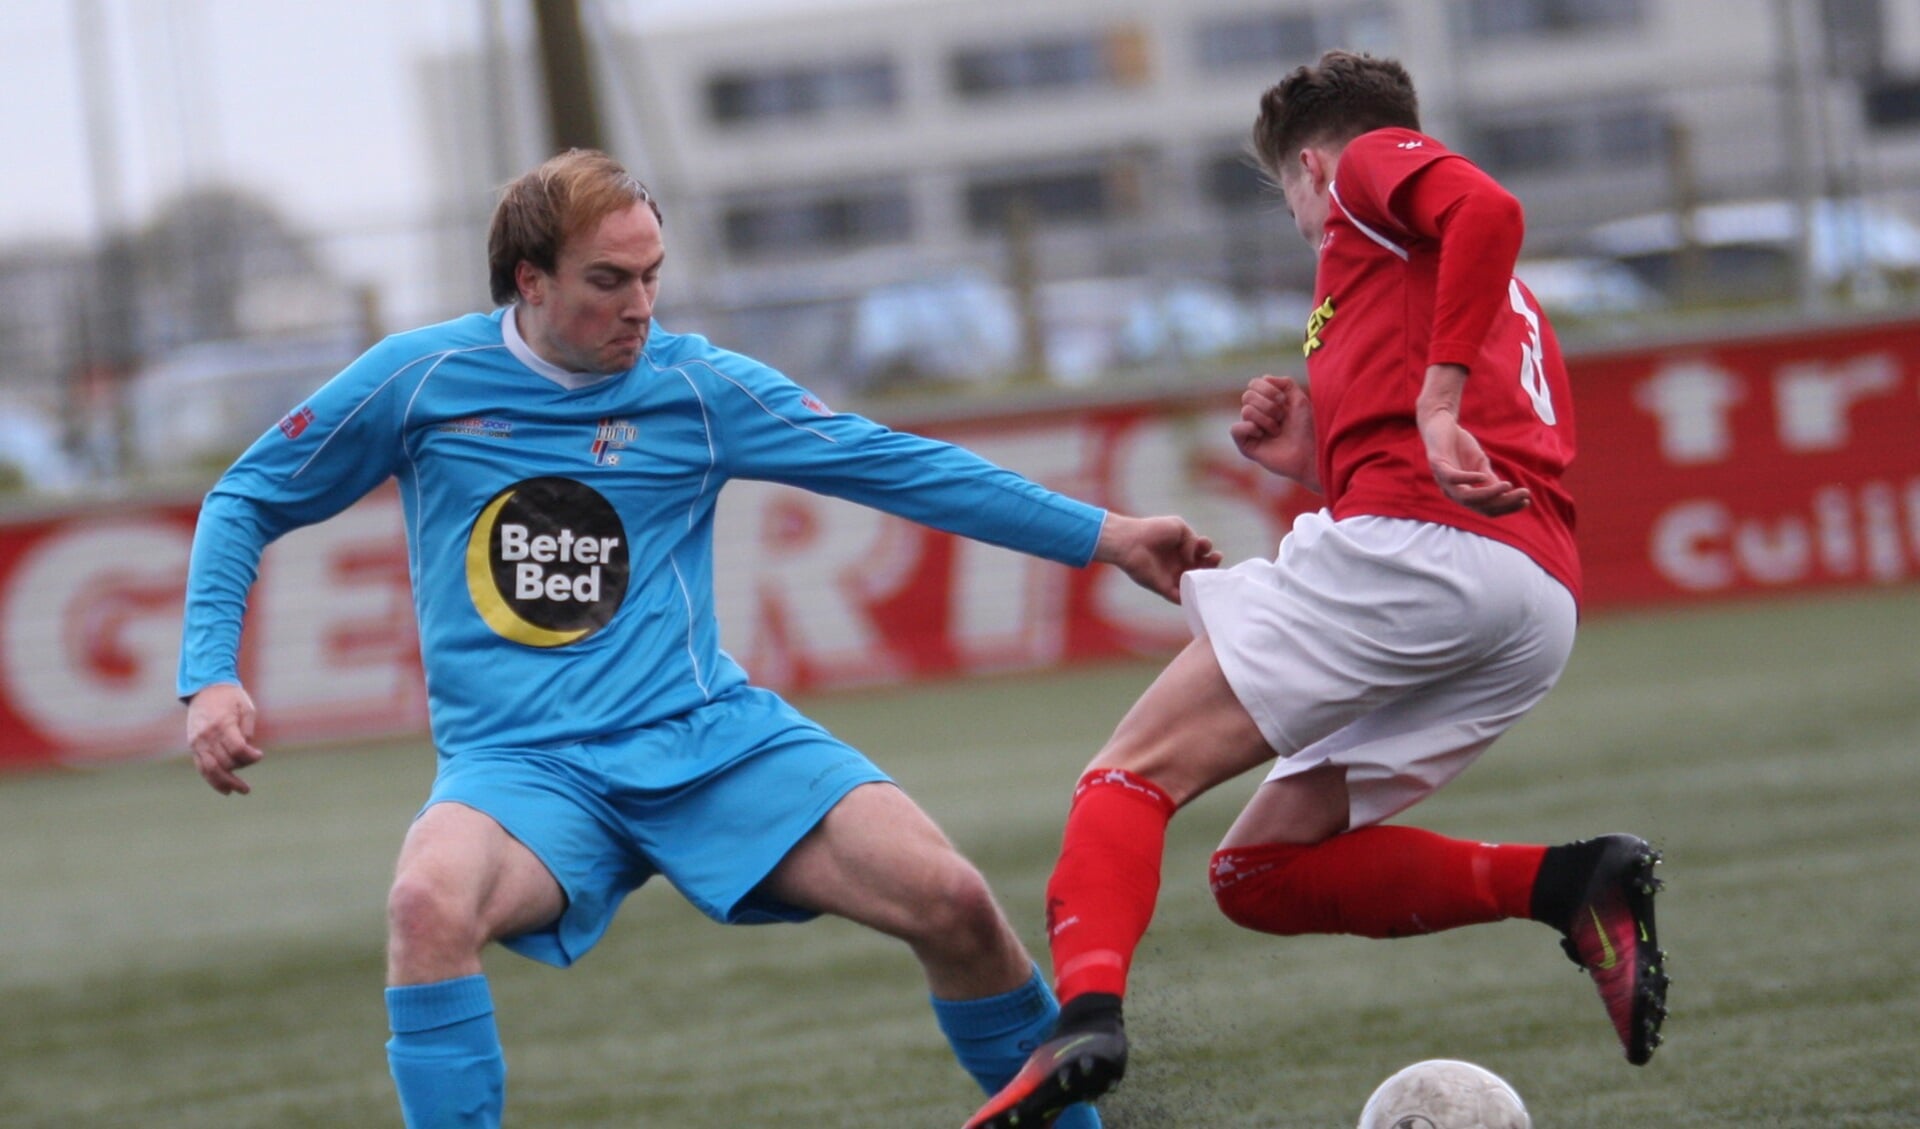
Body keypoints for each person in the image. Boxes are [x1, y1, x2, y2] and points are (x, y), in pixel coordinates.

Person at [178, 148, 1220, 1129]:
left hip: (707, 741)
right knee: (423, 904)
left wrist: (1108, 534)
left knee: (951, 900)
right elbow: (247, 496)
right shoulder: (419, 379)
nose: (638, 305)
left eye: (651, 275)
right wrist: (210, 676)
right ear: (528, 281)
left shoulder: (697, 386)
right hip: (523, 772)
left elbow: (892, 464)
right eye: (607, 280)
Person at [965, 51, 1669, 1129]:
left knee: (1127, 778)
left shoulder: (1371, 175)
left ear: (1308, 166)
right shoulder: (1459, 284)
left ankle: (1086, 1016)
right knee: (1258, 872)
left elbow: (1488, 201)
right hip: (1526, 596)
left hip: (1427, 557)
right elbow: (1456, 428)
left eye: (1289, 197)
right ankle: (1571, 883)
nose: (1303, 222)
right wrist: (1318, 460)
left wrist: (1432, 408)